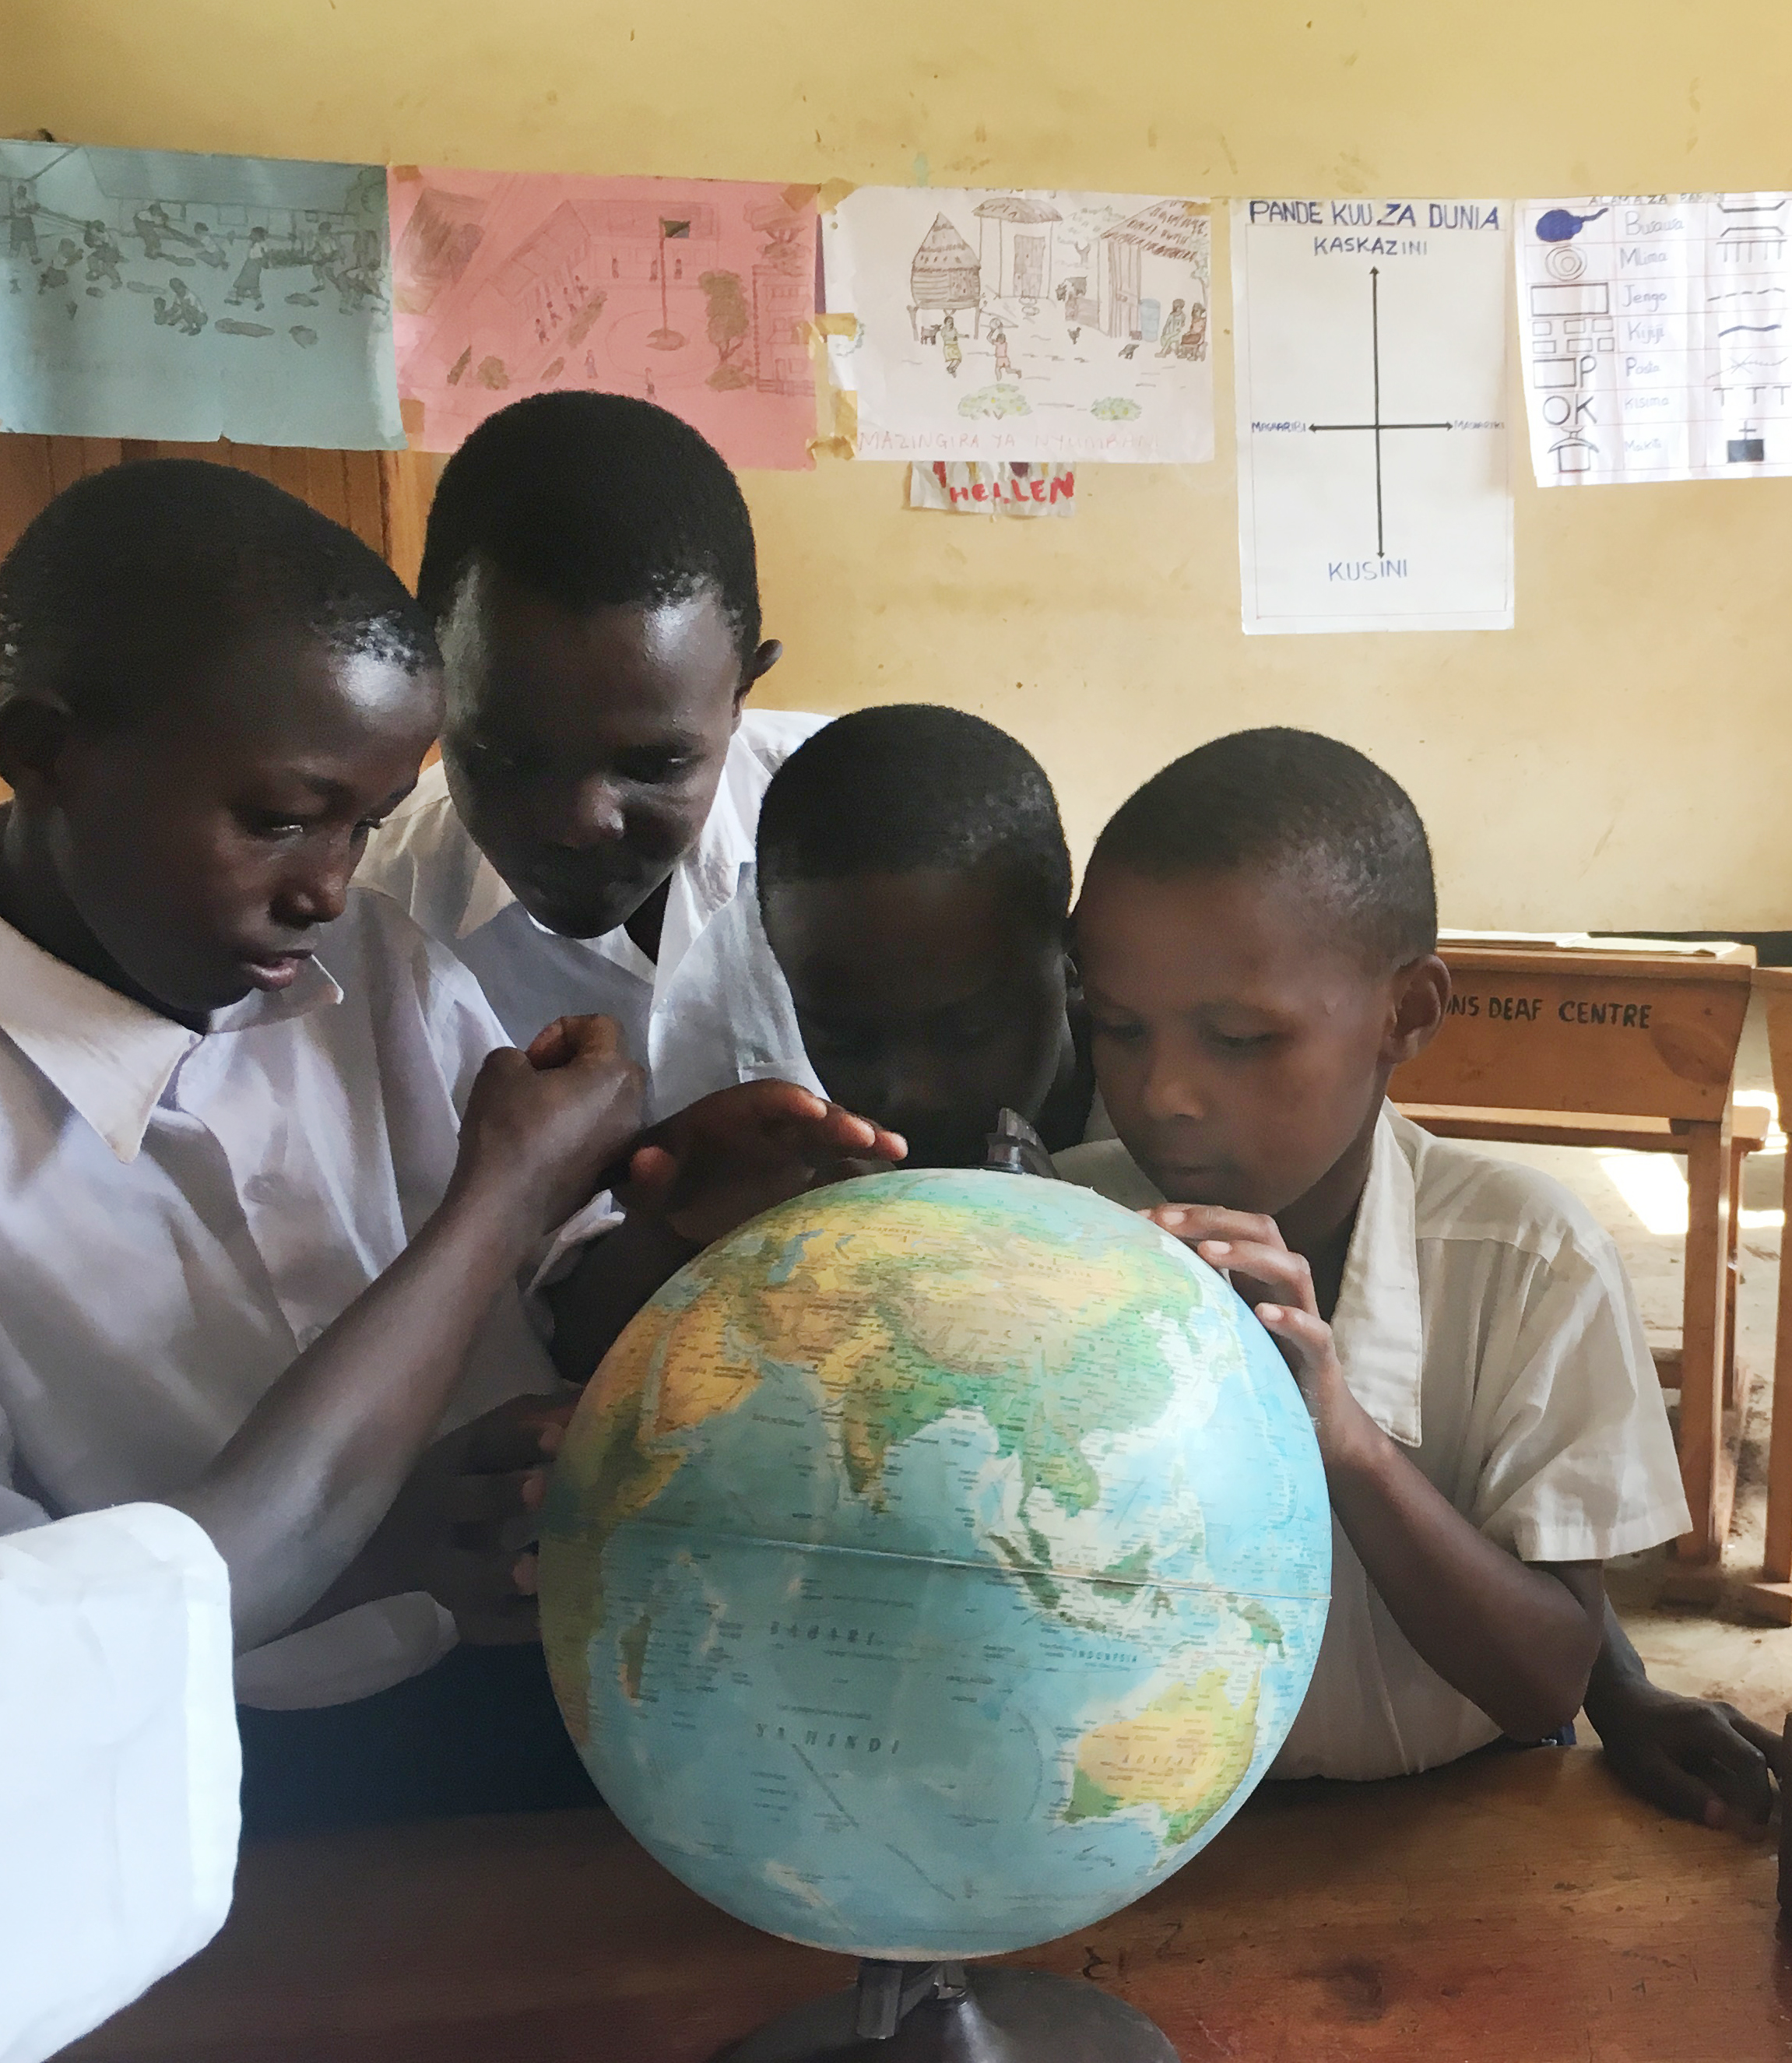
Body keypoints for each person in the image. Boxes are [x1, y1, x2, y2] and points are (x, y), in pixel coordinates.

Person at [0, 460, 892, 1840]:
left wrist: (661, 1223)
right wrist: (386, 1539)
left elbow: (549, 1287)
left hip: (537, 1687)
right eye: (280, 819)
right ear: (42, 747)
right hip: (208, 1791)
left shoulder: (374, 966)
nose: (327, 886)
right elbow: (47, 1645)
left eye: (364, 823)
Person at [1063, 729, 1780, 1826]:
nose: (1164, 1093)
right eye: (1116, 1028)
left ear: (1408, 1013)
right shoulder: (1054, 1240)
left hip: (1446, 1827)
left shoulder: (1528, 1258)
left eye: (1242, 1038)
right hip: (1128, 1835)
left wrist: (1344, 1440)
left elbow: (1546, 1678)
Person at [356, 389, 826, 1077]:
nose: (580, 824)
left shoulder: (874, 832)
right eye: (509, 757)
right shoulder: (374, 920)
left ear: (739, 695)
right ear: (428, 683)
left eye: (656, 764)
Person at [648, 703, 1096, 1165]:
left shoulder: (1165, 1157)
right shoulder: (815, 1183)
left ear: (1082, 957)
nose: (910, 1096)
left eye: (966, 1032)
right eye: (845, 1041)